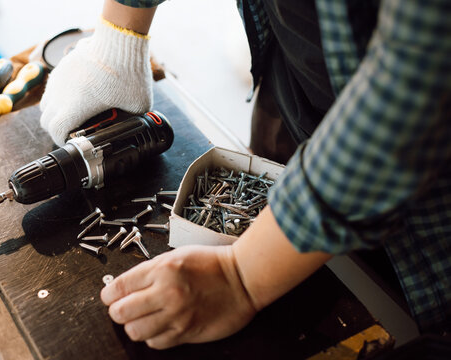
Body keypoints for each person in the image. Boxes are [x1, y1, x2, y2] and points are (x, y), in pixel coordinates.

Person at [39, 0, 451, 350]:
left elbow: (407, 107)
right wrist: (120, 33)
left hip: (429, 215)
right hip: (297, 80)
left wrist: (243, 275)